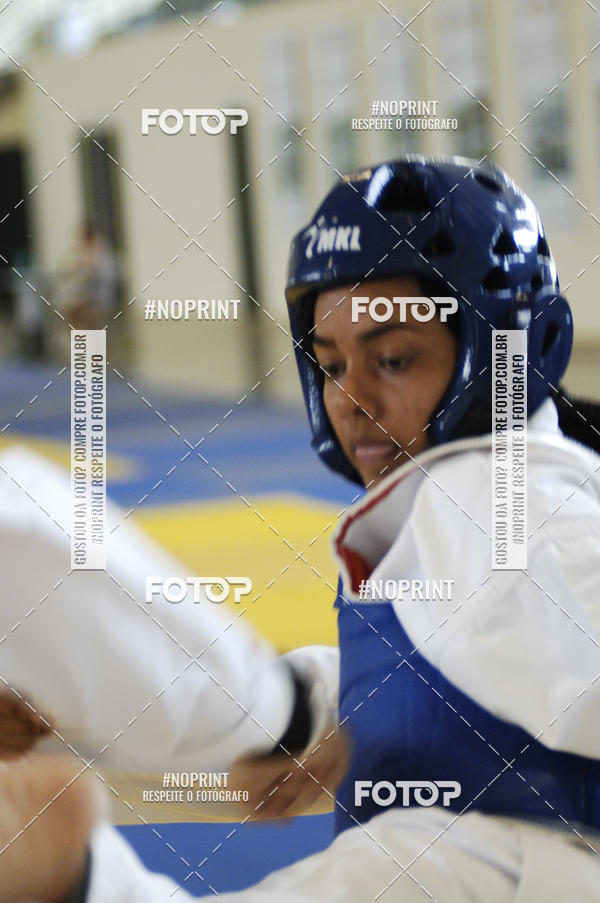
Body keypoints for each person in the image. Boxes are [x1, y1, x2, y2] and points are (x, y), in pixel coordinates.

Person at [3, 155, 600, 901]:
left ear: (512, 352)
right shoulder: (458, 518)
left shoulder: (513, 502)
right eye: (330, 363)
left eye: (393, 357)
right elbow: (463, 647)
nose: (352, 396)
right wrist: (63, 733)